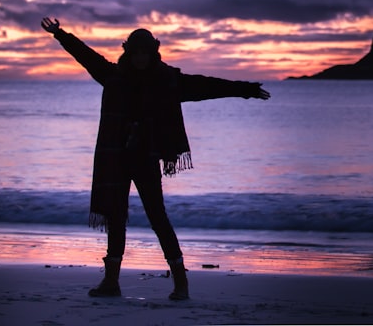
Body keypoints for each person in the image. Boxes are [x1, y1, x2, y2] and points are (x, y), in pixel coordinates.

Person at [40, 17, 270, 301]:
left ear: (153, 52)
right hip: (116, 158)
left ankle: (181, 283)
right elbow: (84, 54)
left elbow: (207, 87)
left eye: (144, 52)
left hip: (145, 158)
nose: (139, 57)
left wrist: (245, 90)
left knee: (158, 217)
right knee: (115, 217)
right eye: (135, 52)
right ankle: (111, 282)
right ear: (128, 52)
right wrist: (60, 34)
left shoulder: (167, 81)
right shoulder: (112, 75)